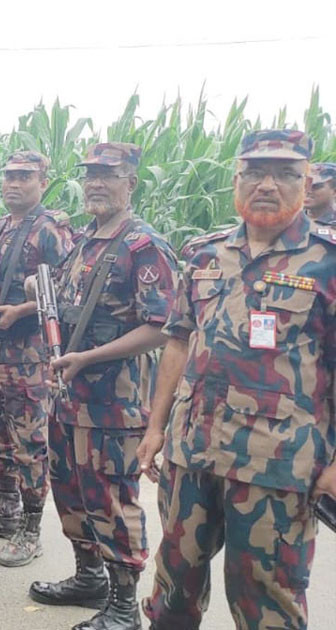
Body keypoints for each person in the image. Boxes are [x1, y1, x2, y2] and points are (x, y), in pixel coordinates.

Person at [138, 130, 336, 629]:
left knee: (266, 601)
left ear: (306, 180)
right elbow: (179, 341)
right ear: (236, 178)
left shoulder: (328, 262)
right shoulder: (205, 254)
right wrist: (155, 428)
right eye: (254, 172)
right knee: (173, 585)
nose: (267, 184)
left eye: (285, 173)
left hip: (277, 465)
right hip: (191, 452)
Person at [27, 143, 178, 630]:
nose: (95, 182)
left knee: (111, 499)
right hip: (68, 396)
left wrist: (89, 357)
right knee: (70, 491)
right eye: (90, 173)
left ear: (130, 183)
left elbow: (164, 326)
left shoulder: (143, 246)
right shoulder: (84, 240)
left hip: (113, 403)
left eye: (108, 175)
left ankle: (123, 605)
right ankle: (88, 577)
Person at [0, 151, 74, 568]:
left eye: (24, 177)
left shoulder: (50, 229)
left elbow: (66, 288)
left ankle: (30, 527)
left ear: (43, 180)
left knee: (29, 445)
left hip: (28, 356)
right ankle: (5, 510)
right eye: (8, 177)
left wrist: (21, 312)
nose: (13, 184)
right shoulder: (1, 228)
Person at [305, 161, 336, 225]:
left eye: (315, 186)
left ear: (334, 192)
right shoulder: (289, 217)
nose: (307, 190)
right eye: (305, 184)